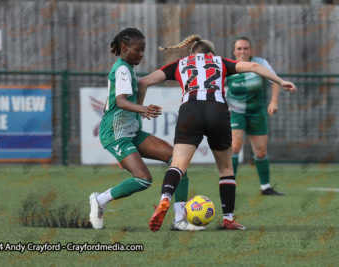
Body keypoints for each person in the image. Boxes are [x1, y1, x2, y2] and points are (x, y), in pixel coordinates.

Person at [137, 35, 296, 231]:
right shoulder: (220, 61)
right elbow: (254, 67)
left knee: (178, 165)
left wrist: (140, 109)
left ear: (191, 54)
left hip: (190, 111)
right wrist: (280, 81)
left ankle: (164, 199)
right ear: (211, 54)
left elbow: (143, 82)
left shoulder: (179, 63)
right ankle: (228, 219)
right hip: (217, 110)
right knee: (226, 169)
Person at [89, 28, 204, 231]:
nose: (141, 54)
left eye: (143, 50)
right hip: (115, 134)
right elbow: (120, 101)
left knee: (178, 162)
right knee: (144, 179)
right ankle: (100, 199)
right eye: (137, 50)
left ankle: (179, 219)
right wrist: (143, 109)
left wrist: (139, 111)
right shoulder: (122, 69)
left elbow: (116, 101)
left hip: (130, 132)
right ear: (124, 47)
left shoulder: (127, 67)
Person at [227, 37, 283, 195]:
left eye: (245, 48)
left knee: (261, 152)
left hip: (257, 112)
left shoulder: (260, 63)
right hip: (235, 112)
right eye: (239, 48)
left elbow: (274, 81)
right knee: (235, 146)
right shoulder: (228, 66)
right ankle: (229, 185)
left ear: (250, 50)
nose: (242, 51)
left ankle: (265, 187)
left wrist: (274, 102)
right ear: (234, 51)